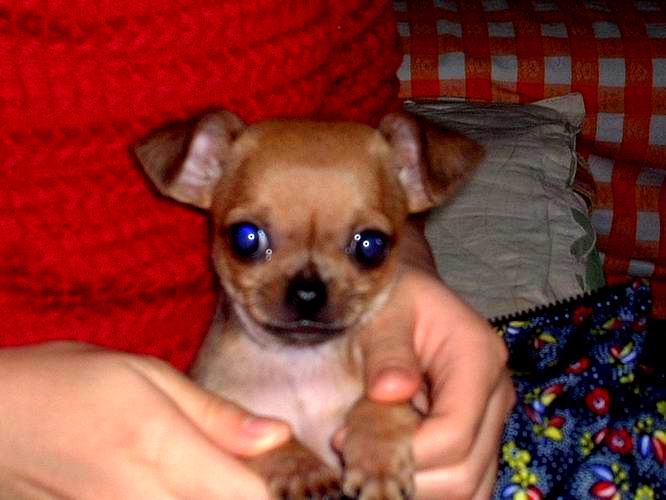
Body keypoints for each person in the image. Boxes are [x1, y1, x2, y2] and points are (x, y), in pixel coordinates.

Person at [0, 0, 514, 498]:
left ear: (415, 180)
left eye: (365, 247)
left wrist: (386, 420)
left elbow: (360, 89)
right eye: (252, 242)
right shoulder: (215, 383)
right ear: (198, 170)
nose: (308, 289)